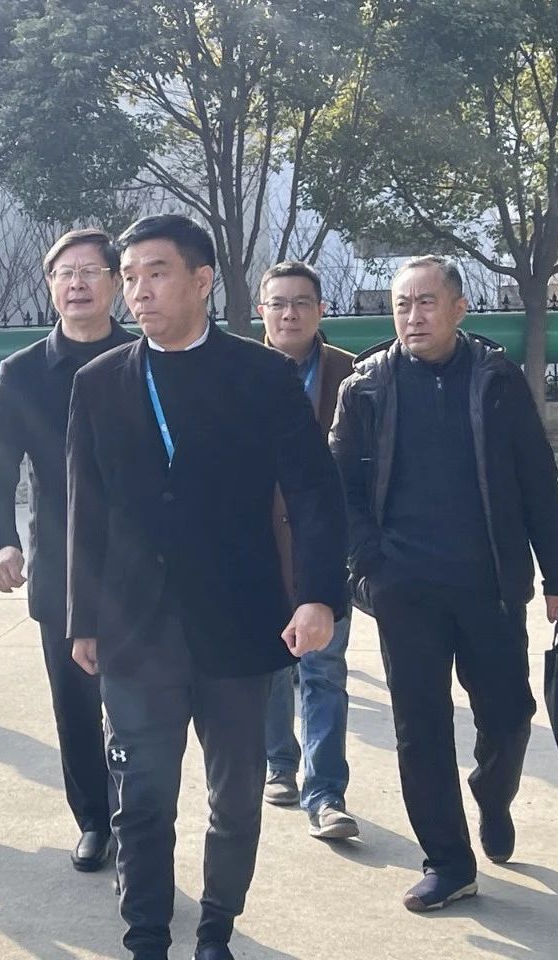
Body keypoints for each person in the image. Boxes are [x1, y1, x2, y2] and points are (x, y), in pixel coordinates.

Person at [67, 215, 347, 960]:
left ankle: (217, 926)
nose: (138, 291)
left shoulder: (262, 376)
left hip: (238, 625)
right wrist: (83, 617)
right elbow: (85, 509)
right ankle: (146, 937)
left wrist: (317, 594)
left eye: (155, 273)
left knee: (236, 798)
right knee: (142, 800)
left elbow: (314, 493)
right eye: (129, 277)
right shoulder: (98, 383)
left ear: (201, 280)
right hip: (134, 631)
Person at [329, 255, 558, 912]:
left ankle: (492, 795)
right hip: (405, 590)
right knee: (420, 728)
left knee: (509, 715)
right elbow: (340, 490)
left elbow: (537, 480)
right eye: (402, 304)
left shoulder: (496, 380)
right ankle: (448, 862)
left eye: (426, 302)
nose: (412, 316)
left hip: (488, 584)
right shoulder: (367, 388)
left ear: (459, 308)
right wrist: (370, 566)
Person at [0, 228, 135, 873]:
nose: (77, 284)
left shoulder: (145, 356)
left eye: (91, 271)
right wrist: (0, 542)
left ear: (115, 283)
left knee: (141, 707)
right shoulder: (22, 372)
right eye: (65, 273)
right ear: (50, 286)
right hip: (64, 566)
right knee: (75, 704)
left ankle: (139, 819)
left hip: (143, 565)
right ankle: (94, 820)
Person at [255, 261, 360, 840]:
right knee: (273, 666)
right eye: (278, 303)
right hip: (258, 550)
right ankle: (279, 764)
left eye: (300, 303)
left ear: (320, 311)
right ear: (262, 313)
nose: (289, 314)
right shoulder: (241, 373)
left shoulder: (352, 374)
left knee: (324, 671)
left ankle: (326, 795)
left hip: (325, 550)